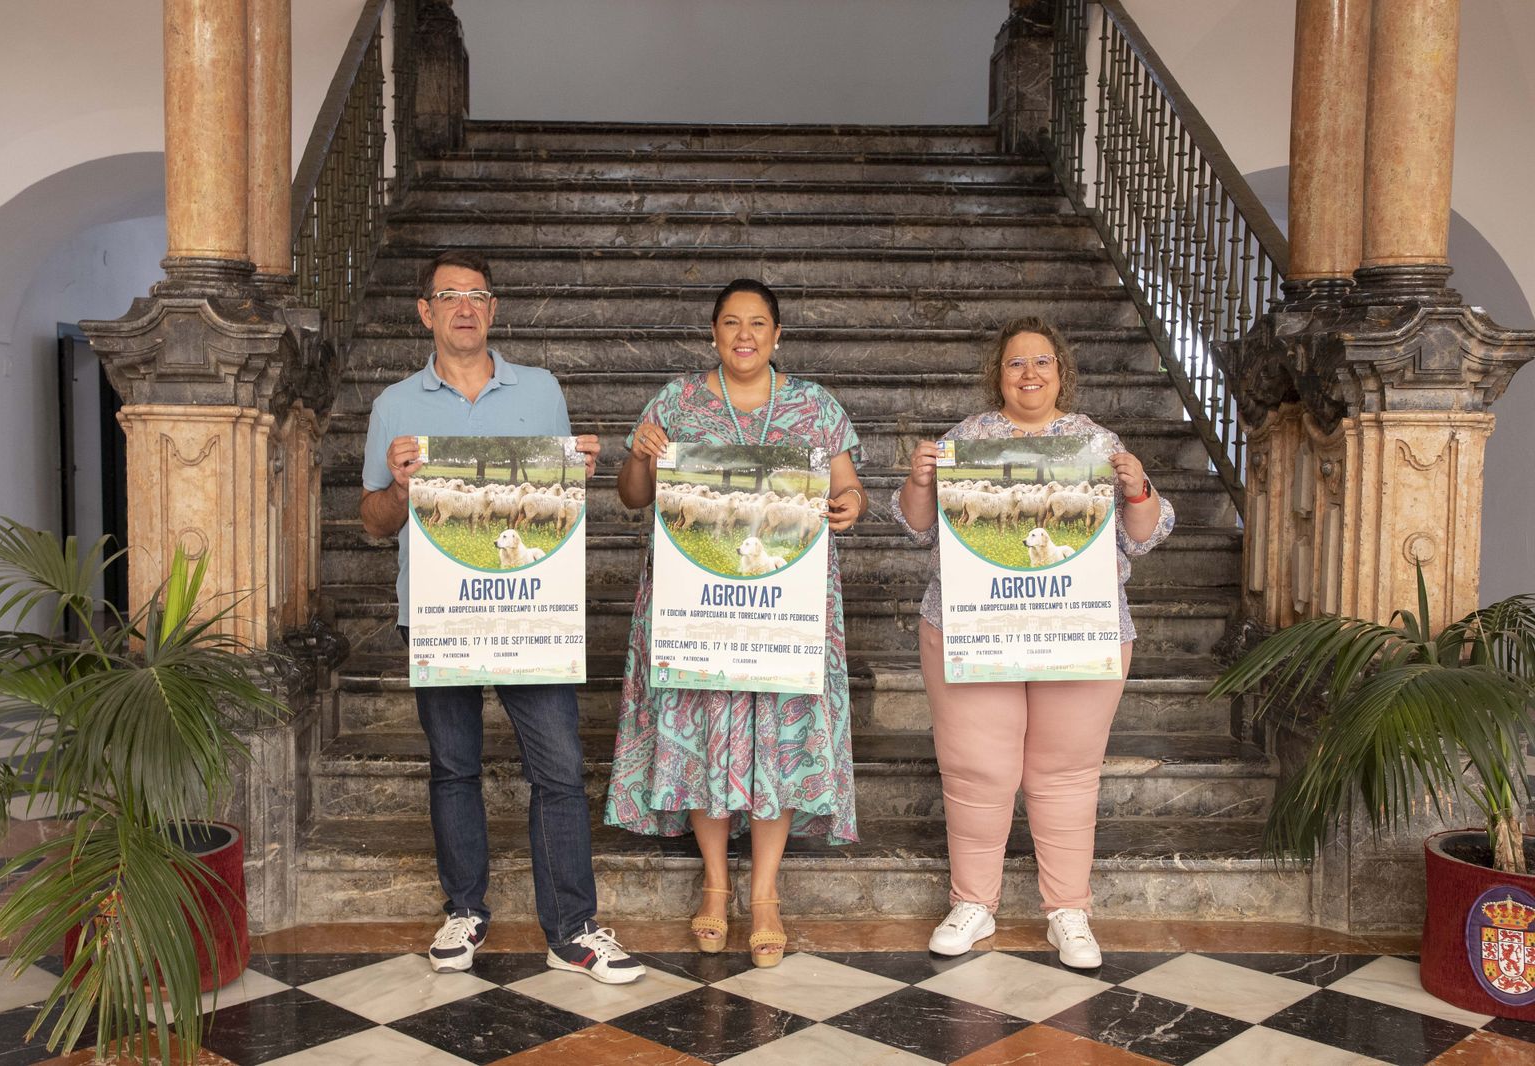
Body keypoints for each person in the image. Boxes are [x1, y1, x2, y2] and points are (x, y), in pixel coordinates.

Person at [359, 249, 644, 984]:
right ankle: (464, 909)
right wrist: (396, 486)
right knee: (453, 765)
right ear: (425, 311)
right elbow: (373, 521)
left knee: (557, 765)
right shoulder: (395, 405)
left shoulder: (542, 390)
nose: (464, 308)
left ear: (493, 309)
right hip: (437, 611)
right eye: (448, 296)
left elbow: (553, 503)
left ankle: (572, 929)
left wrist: (572, 475)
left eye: (477, 296)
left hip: (527, 608)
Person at [892, 316, 1174, 967]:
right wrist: (918, 478)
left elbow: (1144, 534)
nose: (1029, 374)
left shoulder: (1096, 443)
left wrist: (1139, 486)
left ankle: (1068, 913)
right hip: (972, 625)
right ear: (999, 373)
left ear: (1060, 371)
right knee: (977, 770)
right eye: (1017, 363)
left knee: (1067, 773)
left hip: (1078, 626)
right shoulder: (966, 440)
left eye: (1041, 362)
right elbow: (915, 525)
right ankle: (973, 906)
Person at [604, 278, 865, 967]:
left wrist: (852, 504)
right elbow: (634, 498)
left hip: (786, 603)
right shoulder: (676, 403)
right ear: (713, 334)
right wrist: (638, 452)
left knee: (778, 736)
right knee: (704, 729)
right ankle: (717, 887)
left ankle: (769, 895)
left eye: (757, 323)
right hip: (699, 606)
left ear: (778, 335)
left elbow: (847, 488)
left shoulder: (815, 408)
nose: (744, 334)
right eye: (730, 323)